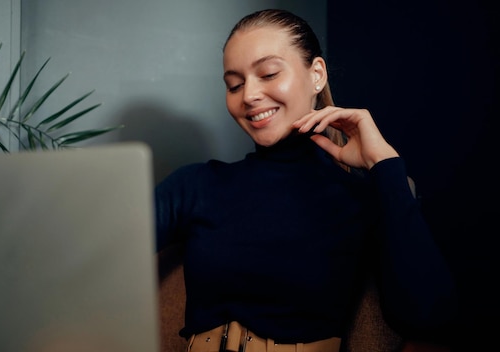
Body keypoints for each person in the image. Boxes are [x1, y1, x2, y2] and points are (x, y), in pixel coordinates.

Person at [154, 8, 457, 352]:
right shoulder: (194, 184)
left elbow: (428, 316)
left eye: (267, 73)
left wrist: (382, 163)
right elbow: (104, 251)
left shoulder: (361, 196)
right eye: (234, 84)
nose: (248, 95)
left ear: (317, 75)